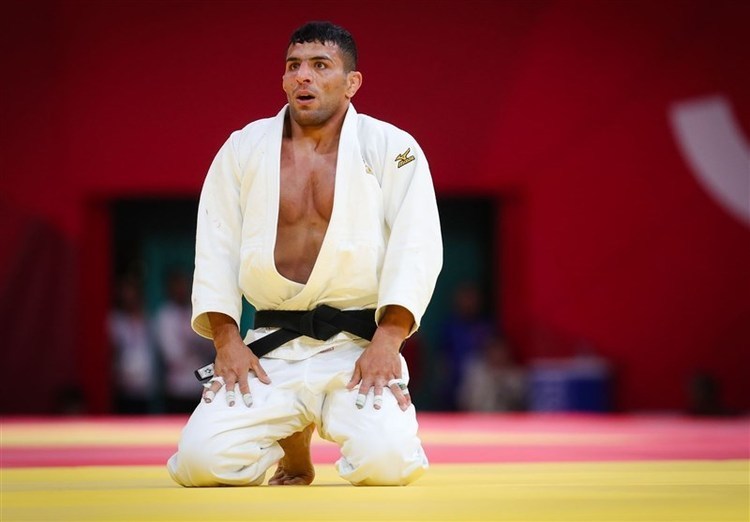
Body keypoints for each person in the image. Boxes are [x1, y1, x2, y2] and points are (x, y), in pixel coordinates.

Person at [167, 21, 442, 487]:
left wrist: (388, 341)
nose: (303, 76)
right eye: (293, 66)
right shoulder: (243, 148)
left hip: (357, 346)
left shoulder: (393, 148)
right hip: (271, 349)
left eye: (320, 65)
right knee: (200, 463)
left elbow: (416, 246)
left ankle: (322, 419)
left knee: (388, 464)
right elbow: (215, 247)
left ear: (352, 82)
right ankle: (293, 443)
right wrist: (226, 342)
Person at [154, 269, 215, 413]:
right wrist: (194, 345)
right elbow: (173, 355)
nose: (181, 289)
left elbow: (211, 346)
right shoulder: (165, 315)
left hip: (201, 384)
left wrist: (193, 346)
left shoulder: (196, 312)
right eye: (177, 285)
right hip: (177, 387)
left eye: (184, 284)